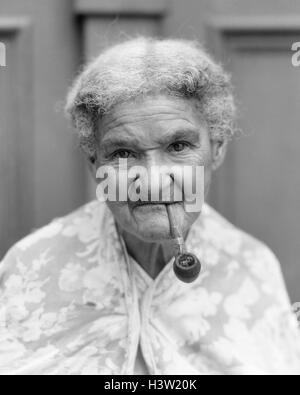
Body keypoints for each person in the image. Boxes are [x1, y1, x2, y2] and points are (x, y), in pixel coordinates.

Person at [1, 37, 300, 375]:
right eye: (123, 153)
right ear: (93, 163)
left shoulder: (251, 268)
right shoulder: (30, 266)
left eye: (178, 145)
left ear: (216, 149)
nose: (155, 180)